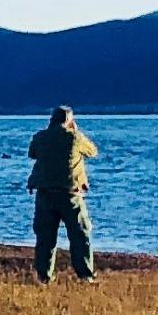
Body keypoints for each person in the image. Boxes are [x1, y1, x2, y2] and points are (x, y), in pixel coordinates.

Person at [25, 104, 98, 283]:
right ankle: (85, 275)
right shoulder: (75, 137)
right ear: (69, 120)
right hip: (70, 194)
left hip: (45, 194)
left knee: (45, 238)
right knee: (80, 235)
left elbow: (32, 153)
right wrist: (75, 129)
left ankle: (43, 276)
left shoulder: (40, 137)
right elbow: (92, 151)